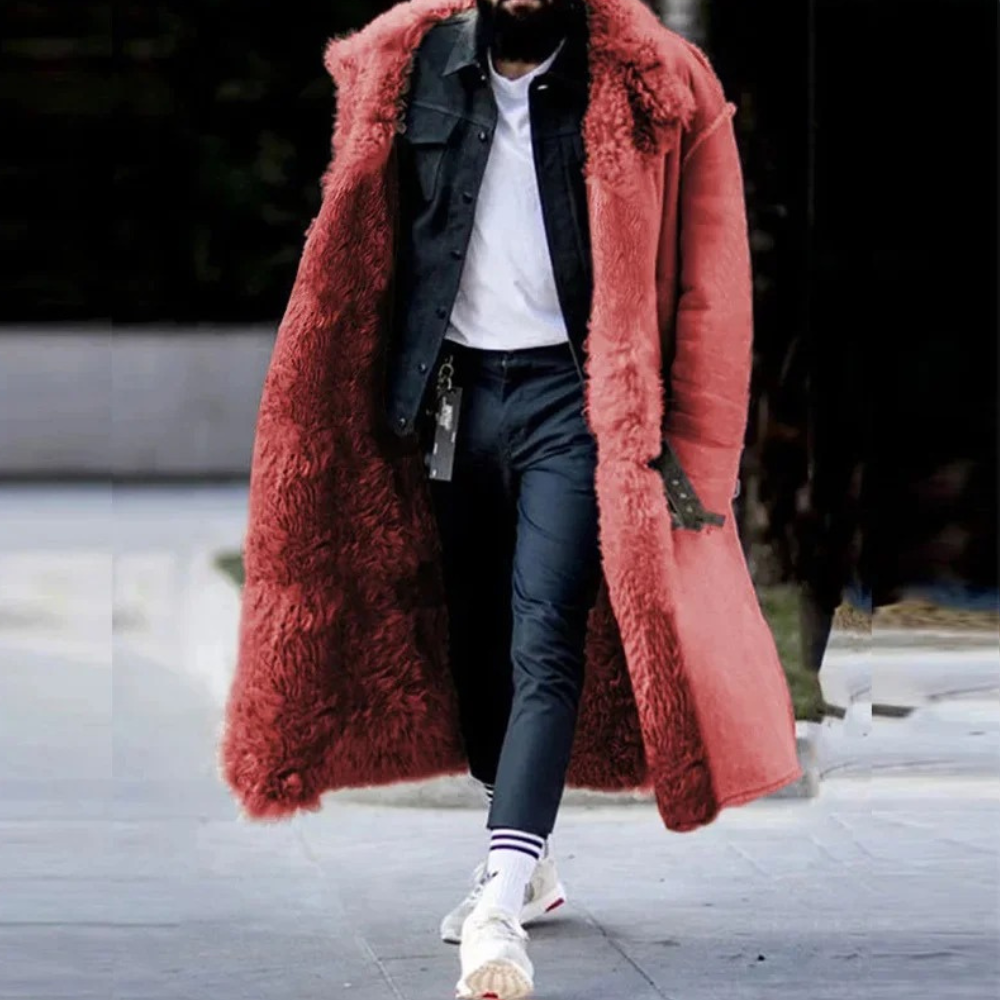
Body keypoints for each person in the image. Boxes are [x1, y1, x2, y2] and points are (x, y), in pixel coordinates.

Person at [219, 1, 803, 997]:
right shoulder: (405, 67)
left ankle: (497, 902)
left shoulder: (656, 83)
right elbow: (362, 251)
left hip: (577, 405)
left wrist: (699, 464)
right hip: (449, 399)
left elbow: (714, 287)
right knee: (475, 637)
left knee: (545, 637)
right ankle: (527, 863)